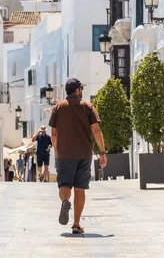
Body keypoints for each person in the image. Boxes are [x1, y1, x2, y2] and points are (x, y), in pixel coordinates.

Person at [50, 78, 107, 235]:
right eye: (80, 88)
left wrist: (57, 150)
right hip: (83, 153)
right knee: (80, 189)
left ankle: (65, 201)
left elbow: (54, 133)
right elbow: (96, 130)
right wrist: (102, 152)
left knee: (65, 185)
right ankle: (76, 224)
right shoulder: (87, 106)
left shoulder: (58, 108)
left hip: (65, 154)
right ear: (77, 90)